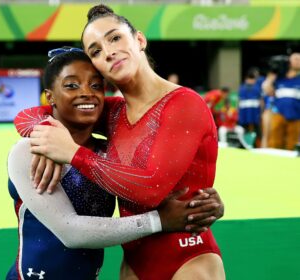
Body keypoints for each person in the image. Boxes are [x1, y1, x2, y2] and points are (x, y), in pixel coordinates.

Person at [14, 5, 225, 280]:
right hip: (134, 263)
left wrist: (70, 152)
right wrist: (45, 131)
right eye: (96, 51)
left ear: (139, 40)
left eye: (114, 38)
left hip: (189, 259)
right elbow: (29, 114)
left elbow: (150, 189)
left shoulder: (184, 104)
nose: (108, 51)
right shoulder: (115, 113)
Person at [262, 52, 300, 150]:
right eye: (296, 59)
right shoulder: (279, 78)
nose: (298, 61)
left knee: (292, 146)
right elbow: (266, 90)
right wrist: (271, 76)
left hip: (296, 117)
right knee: (274, 144)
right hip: (278, 114)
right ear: (289, 62)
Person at [238, 68, 262, 147]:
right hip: (246, 114)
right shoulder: (243, 88)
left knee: (255, 130)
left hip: (253, 115)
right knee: (245, 130)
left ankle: (255, 145)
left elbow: (260, 100)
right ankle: (246, 144)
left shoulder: (256, 87)